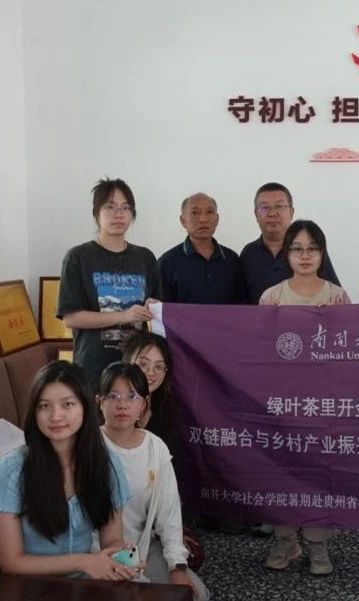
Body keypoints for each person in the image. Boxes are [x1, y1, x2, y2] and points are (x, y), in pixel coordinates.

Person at [261, 220, 350, 575]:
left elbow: (350, 353)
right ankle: (284, 539)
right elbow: (259, 351)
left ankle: (317, 543)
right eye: (297, 248)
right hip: (283, 401)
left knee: (319, 472)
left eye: (312, 248)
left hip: (323, 403)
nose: (305, 255)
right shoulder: (271, 297)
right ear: (286, 254)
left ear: (322, 253)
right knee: (281, 471)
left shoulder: (337, 296)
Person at [0, 361, 133, 580]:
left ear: (85, 407)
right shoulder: (12, 470)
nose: (55, 416)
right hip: (28, 585)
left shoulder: (107, 464)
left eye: (67, 404)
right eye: (44, 406)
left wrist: (122, 560)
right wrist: (83, 561)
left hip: (86, 582)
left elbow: (112, 540)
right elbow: (11, 562)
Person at [97, 362, 209, 600]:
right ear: (99, 401)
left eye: (132, 396)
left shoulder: (155, 448)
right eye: (113, 396)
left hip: (142, 548)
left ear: (144, 404)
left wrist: (177, 567)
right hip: (95, 553)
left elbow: (169, 515)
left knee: (195, 594)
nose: (122, 404)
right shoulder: (89, 446)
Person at [57, 178, 160, 391]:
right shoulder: (78, 257)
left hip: (137, 368)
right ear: (96, 213)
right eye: (110, 207)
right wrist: (124, 315)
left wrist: (153, 307)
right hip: (94, 369)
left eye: (125, 208)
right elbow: (71, 317)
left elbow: (156, 314)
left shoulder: (145, 257)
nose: (118, 214)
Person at [241, 182, 340, 304]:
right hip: (261, 316)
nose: (272, 213)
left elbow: (335, 297)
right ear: (256, 214)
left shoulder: (310, 251)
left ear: (291, 212)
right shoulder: (249, 253)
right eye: (265, 207)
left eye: (279, 206)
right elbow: (241, 302)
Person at [158, 192, 247, 304]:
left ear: (217, 219)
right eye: (195, 213)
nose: (203, 219)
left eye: (209, 212)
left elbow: (243, 305)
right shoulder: (167, 262)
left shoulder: (232, 260)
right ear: (183, 221)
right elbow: (161, 309)